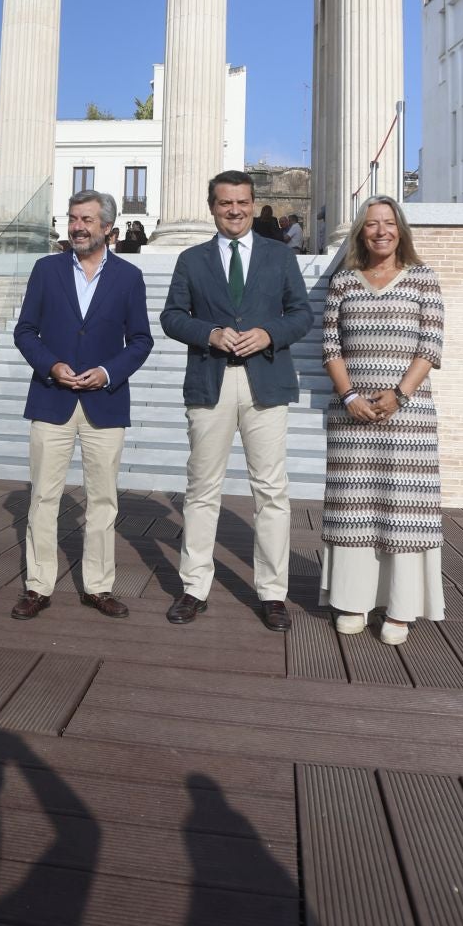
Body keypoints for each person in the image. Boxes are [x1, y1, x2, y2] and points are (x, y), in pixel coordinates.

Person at [160, 169, 314, 631]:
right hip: (211, 382)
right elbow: (171, 317)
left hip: (265, 384)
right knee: (202, 488)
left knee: (270, 491)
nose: (235, 210)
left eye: (242, 202)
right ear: (212, 207)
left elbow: (302, 315)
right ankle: (194, 588)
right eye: (226, 203)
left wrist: (269, 332)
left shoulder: (280, 257)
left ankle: (272, 593)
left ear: (252, 204)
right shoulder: (190, 259)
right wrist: (209, 332)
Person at [12, 189, 153, 620]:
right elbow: (25, 331)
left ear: (108, 228)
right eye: (73, 218)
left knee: (103, 500)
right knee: (43, 498)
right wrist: (51, 365)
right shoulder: (46, 269)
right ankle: (38, 586)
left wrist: (109, 372)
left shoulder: (129, 277)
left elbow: (142, 340)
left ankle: (98, 586)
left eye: (87, 220)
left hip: (104, 402)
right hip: (51, 398)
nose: (77, 226)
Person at [320, 195, 445, 645]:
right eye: (371, 224)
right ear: (360, 231)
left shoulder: (423, 279)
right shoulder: (344, 282)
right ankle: (353, 600)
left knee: (403, 509)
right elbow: (330, 348)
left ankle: (401, 608)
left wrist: (398, 395)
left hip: (407, 420)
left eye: (388, 223)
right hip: (351, 416)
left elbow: (430, 346)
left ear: (401, 228)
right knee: (354, 507)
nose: (380, 231)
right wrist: (349, 394)